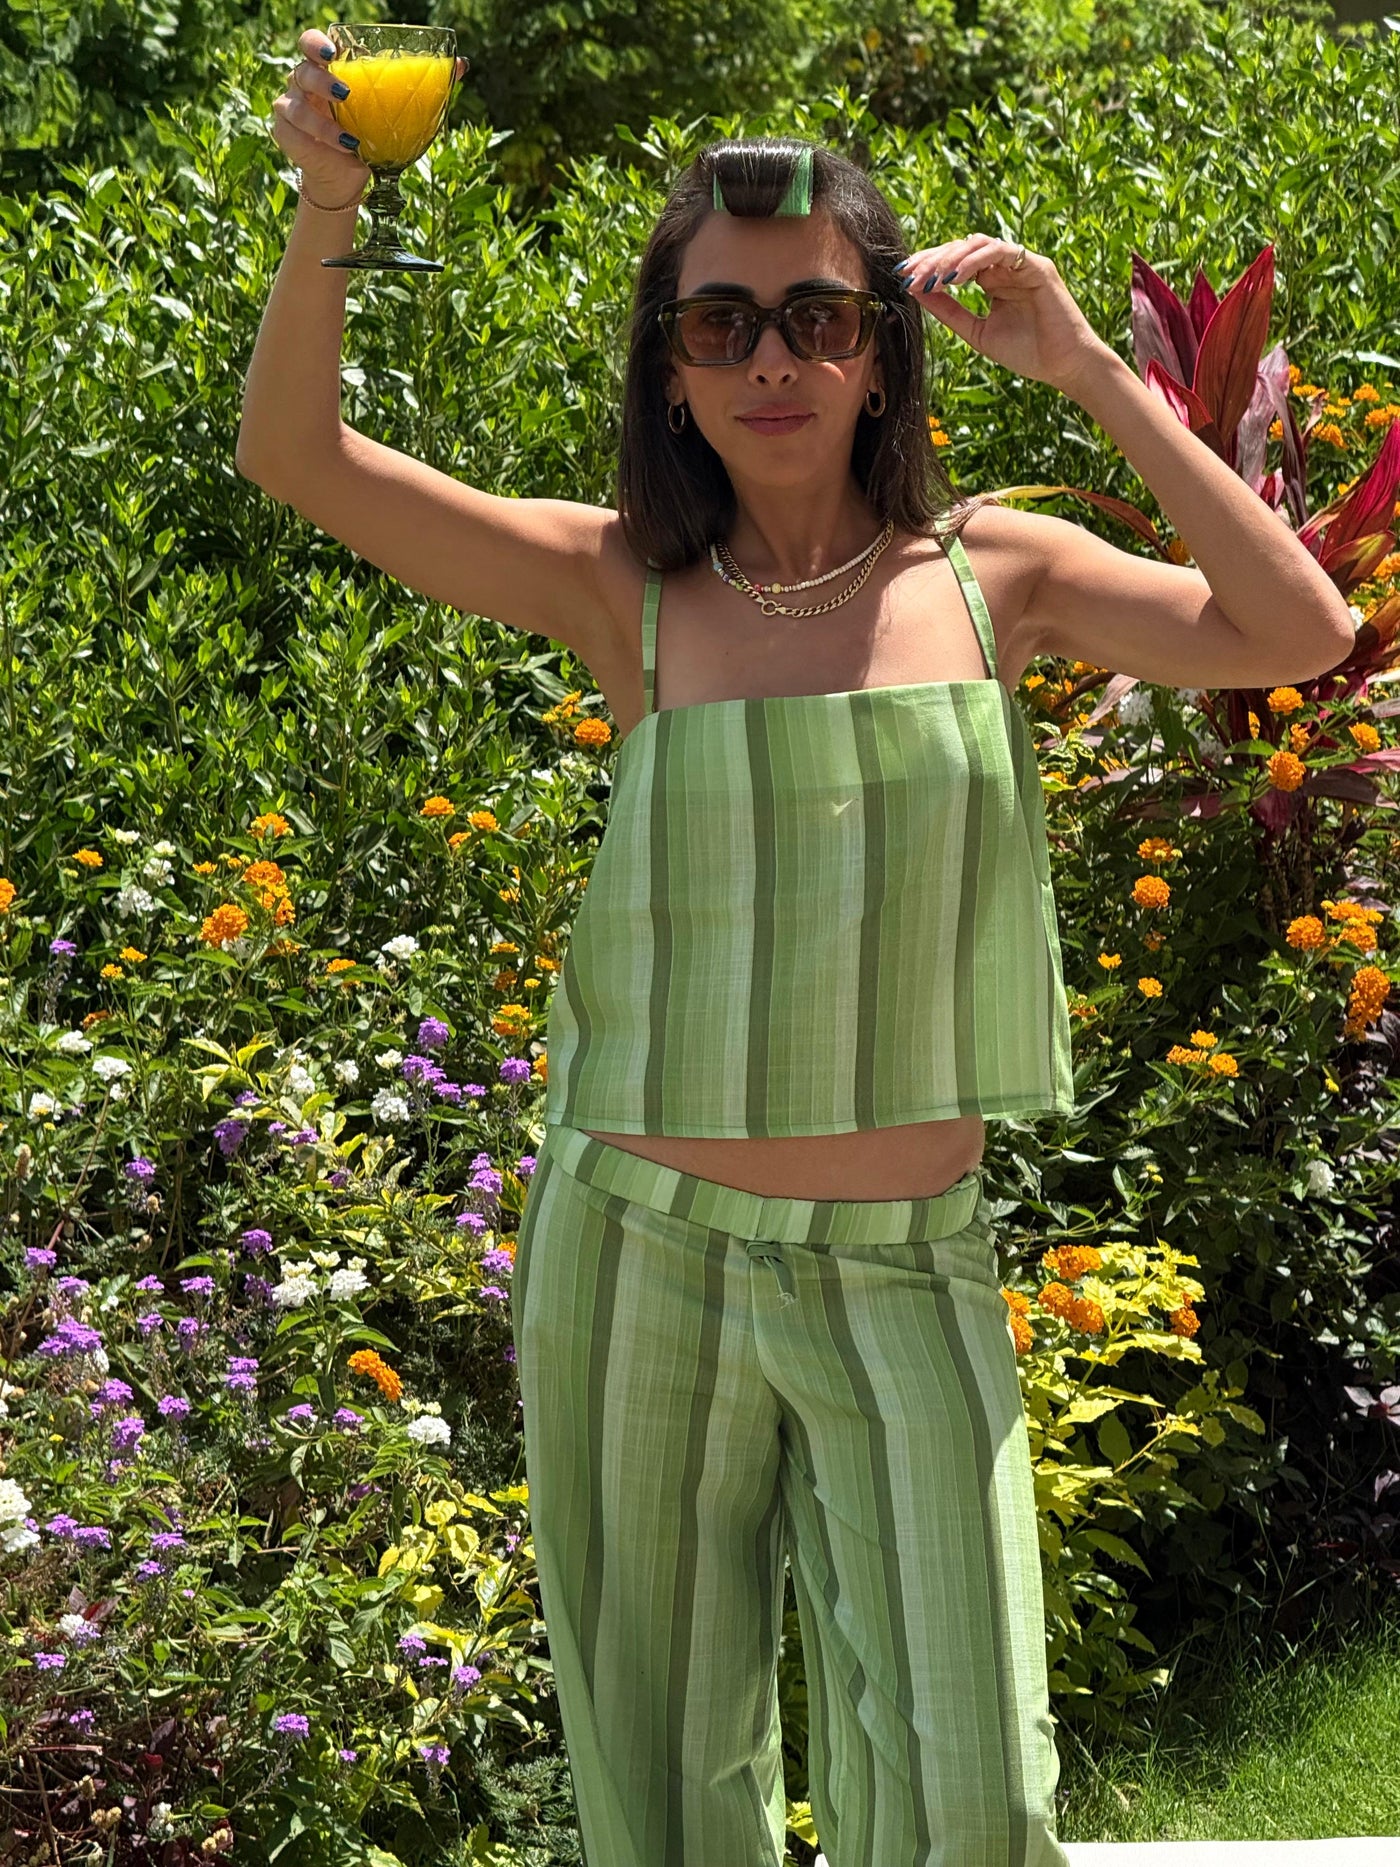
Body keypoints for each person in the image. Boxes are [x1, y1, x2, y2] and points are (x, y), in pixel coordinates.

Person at [243, 50, 1348, 1865]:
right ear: (671, 370)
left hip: (908, 1263)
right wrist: (326, 204)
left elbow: (1298, 631)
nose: (772, 359)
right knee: (667, 1789)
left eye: (819, 317)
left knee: (975, 1798)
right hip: (640, 1248)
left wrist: (1088, 369)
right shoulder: (621, 586)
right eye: (722, 323)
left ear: (883, 354)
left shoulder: (996, 575)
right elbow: (297, 459)